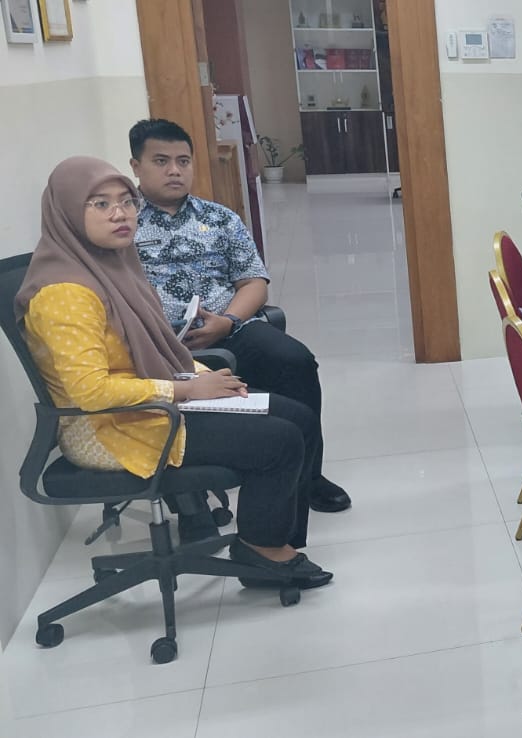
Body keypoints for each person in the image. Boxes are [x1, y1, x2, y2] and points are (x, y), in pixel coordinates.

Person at [17, 156, 332, 588]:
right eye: (99, 204)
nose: (120, 213)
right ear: (69, 212)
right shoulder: (65, 294)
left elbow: (155, 349)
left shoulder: (112, 266)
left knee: (296, 414)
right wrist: (187, 391)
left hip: (150, 403)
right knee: (278, 440)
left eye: (125, 201)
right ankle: (263, 550)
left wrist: (202, 379)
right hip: (108, 428)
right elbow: (90, 392)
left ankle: (269, 540)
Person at [127, 119, 350, 513]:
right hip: (156, 345)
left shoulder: (219, 218)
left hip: (227, 327)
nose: (174, 170)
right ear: (136, 167)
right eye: (161, 161)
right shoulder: (122, 224)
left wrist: (227, 322)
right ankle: (192, 492)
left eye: (183, 160)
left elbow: (254, 283)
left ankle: (308, 476)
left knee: (294, 361)